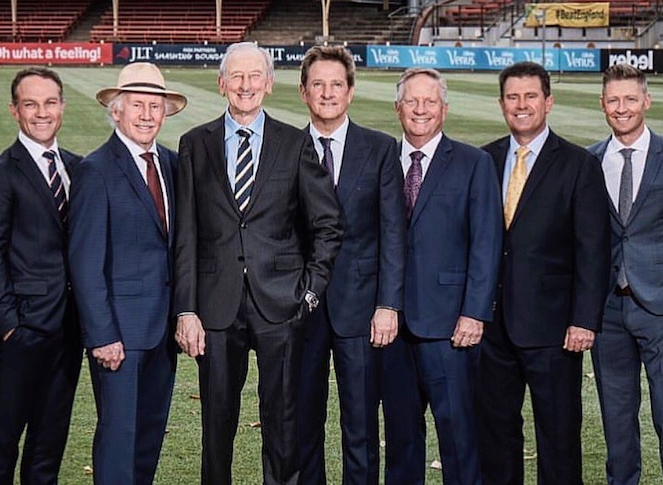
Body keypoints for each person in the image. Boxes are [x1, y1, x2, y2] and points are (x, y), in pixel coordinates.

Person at [173, 41, 342, 485]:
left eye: (254, 77)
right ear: (221, 83)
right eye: (237, 77)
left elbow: (327, 225)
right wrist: (187, 309)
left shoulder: (295, 143)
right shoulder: (195, 144)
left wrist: (308, 292)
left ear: (268, 83)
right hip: (215, 305)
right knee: (216, 422)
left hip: (280, 305)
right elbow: (186, 234)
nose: (245, 85)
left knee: (282, 419)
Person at [476, 61, 610, 485]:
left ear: (548, 102)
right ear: (501, 104)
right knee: (496, 437)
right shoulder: (485, 159)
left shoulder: (578, 164)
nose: (521, 105)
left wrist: (584, 319)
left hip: (554, 330)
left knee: (558, 437)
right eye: (513, 97)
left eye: (530, 96)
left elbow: (594, 248)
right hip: (493, 327)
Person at [588, 63, 663, 485]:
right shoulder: (589, 161)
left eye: (630, 99)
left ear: (646, 101)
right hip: (605, 315)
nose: (621, 108)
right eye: (613, 100)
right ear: (602, 104)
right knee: (617, 427)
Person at [68, 62, 185, 483]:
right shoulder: (96, 169)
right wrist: (102, 335)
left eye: (155, 106)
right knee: (118, 440)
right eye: (138, 105)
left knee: (148, 437)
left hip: (162, 332)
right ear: (116, 111)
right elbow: (84, 263)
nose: (147, 114)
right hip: (118, 335)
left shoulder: (173, 165)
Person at [296, 45, 406, 485]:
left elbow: (393, 233)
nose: (327, 93)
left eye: (336, 84)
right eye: (318, 85)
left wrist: (388, 304)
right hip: (299, 307)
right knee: (302, 421)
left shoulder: (380, 148)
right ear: (304, 92)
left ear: (351, 91)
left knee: (360, 423)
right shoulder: (285, 145)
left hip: (361, 308)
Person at [0, 67, 82, 484]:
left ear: (62, 107)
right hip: (22, 329)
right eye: (31, 104)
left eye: (50, 102)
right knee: (4, 434)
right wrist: (6, 327)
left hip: (69, 327)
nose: (42, 112)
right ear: (15, 111)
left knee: (50, 437)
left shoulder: (76, 166)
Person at [394, 67, 502, 485]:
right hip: (392, 325)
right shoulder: (384, 159)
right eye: (412, 101)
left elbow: (486, 244)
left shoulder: (474, 163)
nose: (421, 110)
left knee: (457, 438)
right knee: (402, 439)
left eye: (430, 101)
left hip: (450, 326)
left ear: (444, 108)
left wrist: (474, 314)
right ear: (398, 107)